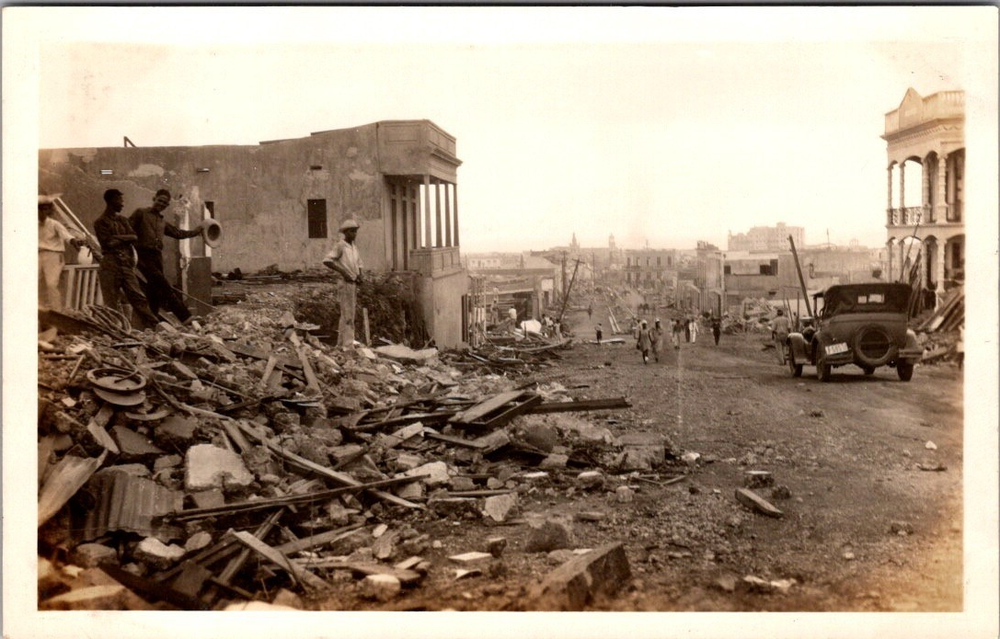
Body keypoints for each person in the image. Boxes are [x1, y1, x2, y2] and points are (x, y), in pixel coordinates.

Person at [129, 189, 204, 323]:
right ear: (154, 199)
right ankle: (185, 316)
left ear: (167, 205)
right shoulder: (141, 213)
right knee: (163, 286)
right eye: (160, 201)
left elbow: (178, 233)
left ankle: (151, 320)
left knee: (154, 289)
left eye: (165, 203)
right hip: (143, 255)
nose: (161, 204)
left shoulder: (162, 221)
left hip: (157, 256)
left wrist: (196, 232)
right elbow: (127, 229)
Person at [93, 189, 160, 329]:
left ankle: (154, 327)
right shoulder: (100, 222)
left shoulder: (123, 220)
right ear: (111, 201)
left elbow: (134, 237)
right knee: (111, 303)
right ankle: (116, 332)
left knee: (138, 297)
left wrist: (117, 238)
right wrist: (125, 239)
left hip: (125, 264)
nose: (123, 204)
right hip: (110, 264)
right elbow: (108, 244)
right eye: (120, 200)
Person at [38, 195, 86, 311]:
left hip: (53, 255)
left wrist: (74, 241)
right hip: (38, 255)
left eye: (45, 209)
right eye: (40, 209)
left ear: (49, 211)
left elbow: (67, 236)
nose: (42, 212)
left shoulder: (55, 224)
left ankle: (56, 310)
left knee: (51, 284)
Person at [323, 218, 364, 347]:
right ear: (346, 232)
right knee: (348, 315)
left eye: (355, 232)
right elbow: (328, 260)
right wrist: (344, 273)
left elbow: (359, 263)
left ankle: (341, 344)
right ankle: (348, 345)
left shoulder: (353, 247)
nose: (354, 234)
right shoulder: (341, 245)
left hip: (353, 283)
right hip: (345, 283)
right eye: (352, 231)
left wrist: (360, 275)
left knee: (347, 314)